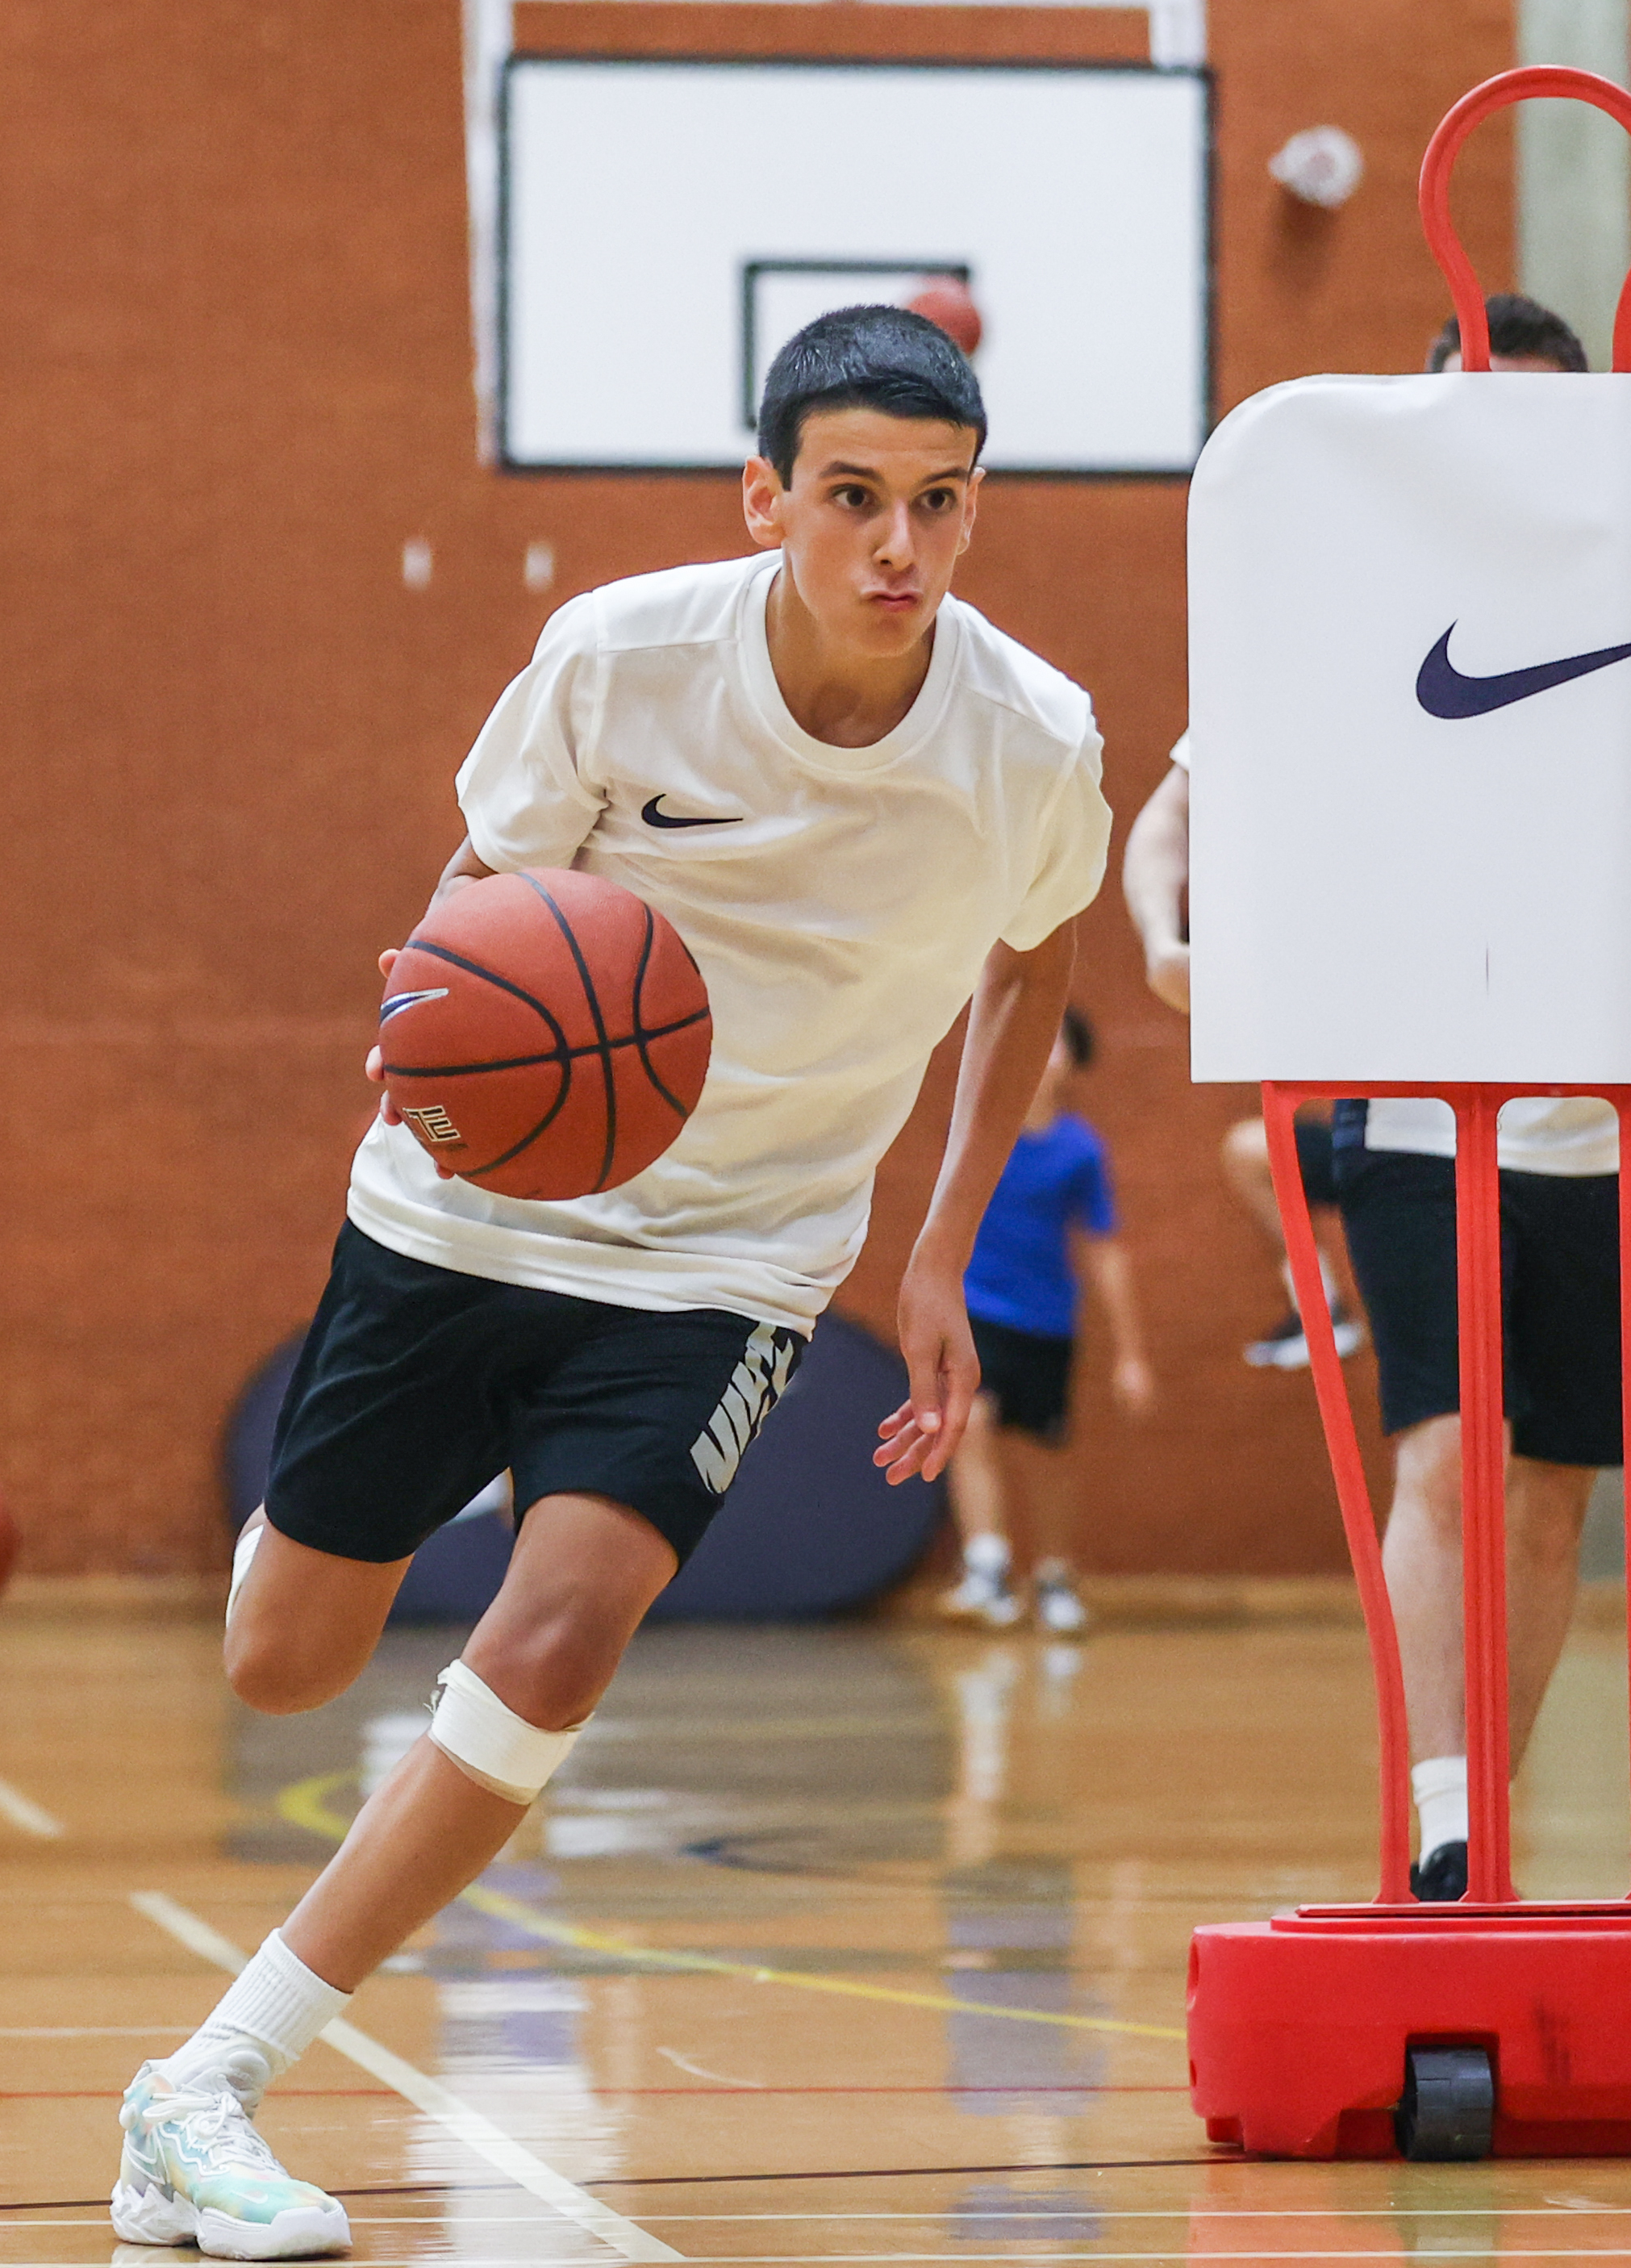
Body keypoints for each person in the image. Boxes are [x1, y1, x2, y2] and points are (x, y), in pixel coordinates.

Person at [113, 303, 1107, 2258]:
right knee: (285, 1661)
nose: (897, 544)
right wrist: (438, 1038)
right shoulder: (619, 658)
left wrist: (937, 1244)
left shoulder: (1030, 739)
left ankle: (204, 2082)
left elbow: (1034, 959)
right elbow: (476, 905)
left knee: (561, 1639)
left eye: (940, 502)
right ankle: (355, 1499)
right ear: (764, 497)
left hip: (734, 1257)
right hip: (474, 1210)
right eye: (852, 497)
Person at [1124, 290, 1631, 1903]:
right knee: (1447, 1457)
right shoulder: (1354, 608)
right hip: (1414, 1108)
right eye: (1471, 408)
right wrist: (1172, 935)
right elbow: (1172, 815)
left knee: (1554, 1493)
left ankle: (1482, 1825)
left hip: (1613, 1129)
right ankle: (1442, 1809)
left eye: (1531, 408)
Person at [1124, 775, 1361, 1369]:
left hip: (1427, 1136)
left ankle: (1329, 1307)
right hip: (1368, 1142)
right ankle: (1319, 1305)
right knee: (1252, 1149)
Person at [938, 1005, 1153, 1635]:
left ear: (1073, 1062)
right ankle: (987, 1566)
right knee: (969, 1420)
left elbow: (1104, 1248)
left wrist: (1131, 1354)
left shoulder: (1080, 1149)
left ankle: (1055, 1576)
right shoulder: (980, 1128)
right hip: (978, 1307)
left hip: (1047, 1319)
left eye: (1056, 1042)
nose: (1041, 1050)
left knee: (1047, 1451)